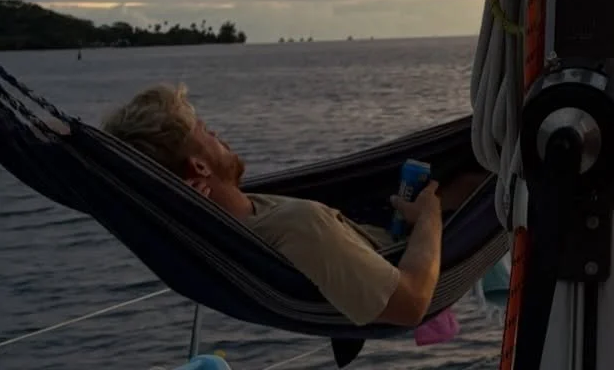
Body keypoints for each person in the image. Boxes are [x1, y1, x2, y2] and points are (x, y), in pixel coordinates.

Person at [102, 84, 483, 328]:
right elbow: (410, 304)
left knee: (473, 183)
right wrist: (430, 215)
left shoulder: (232, 223)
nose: (217, 134)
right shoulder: (299, 224)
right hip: (412, 264)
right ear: (200, 167)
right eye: (205, 132)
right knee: (494, 187)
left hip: (392, 236)